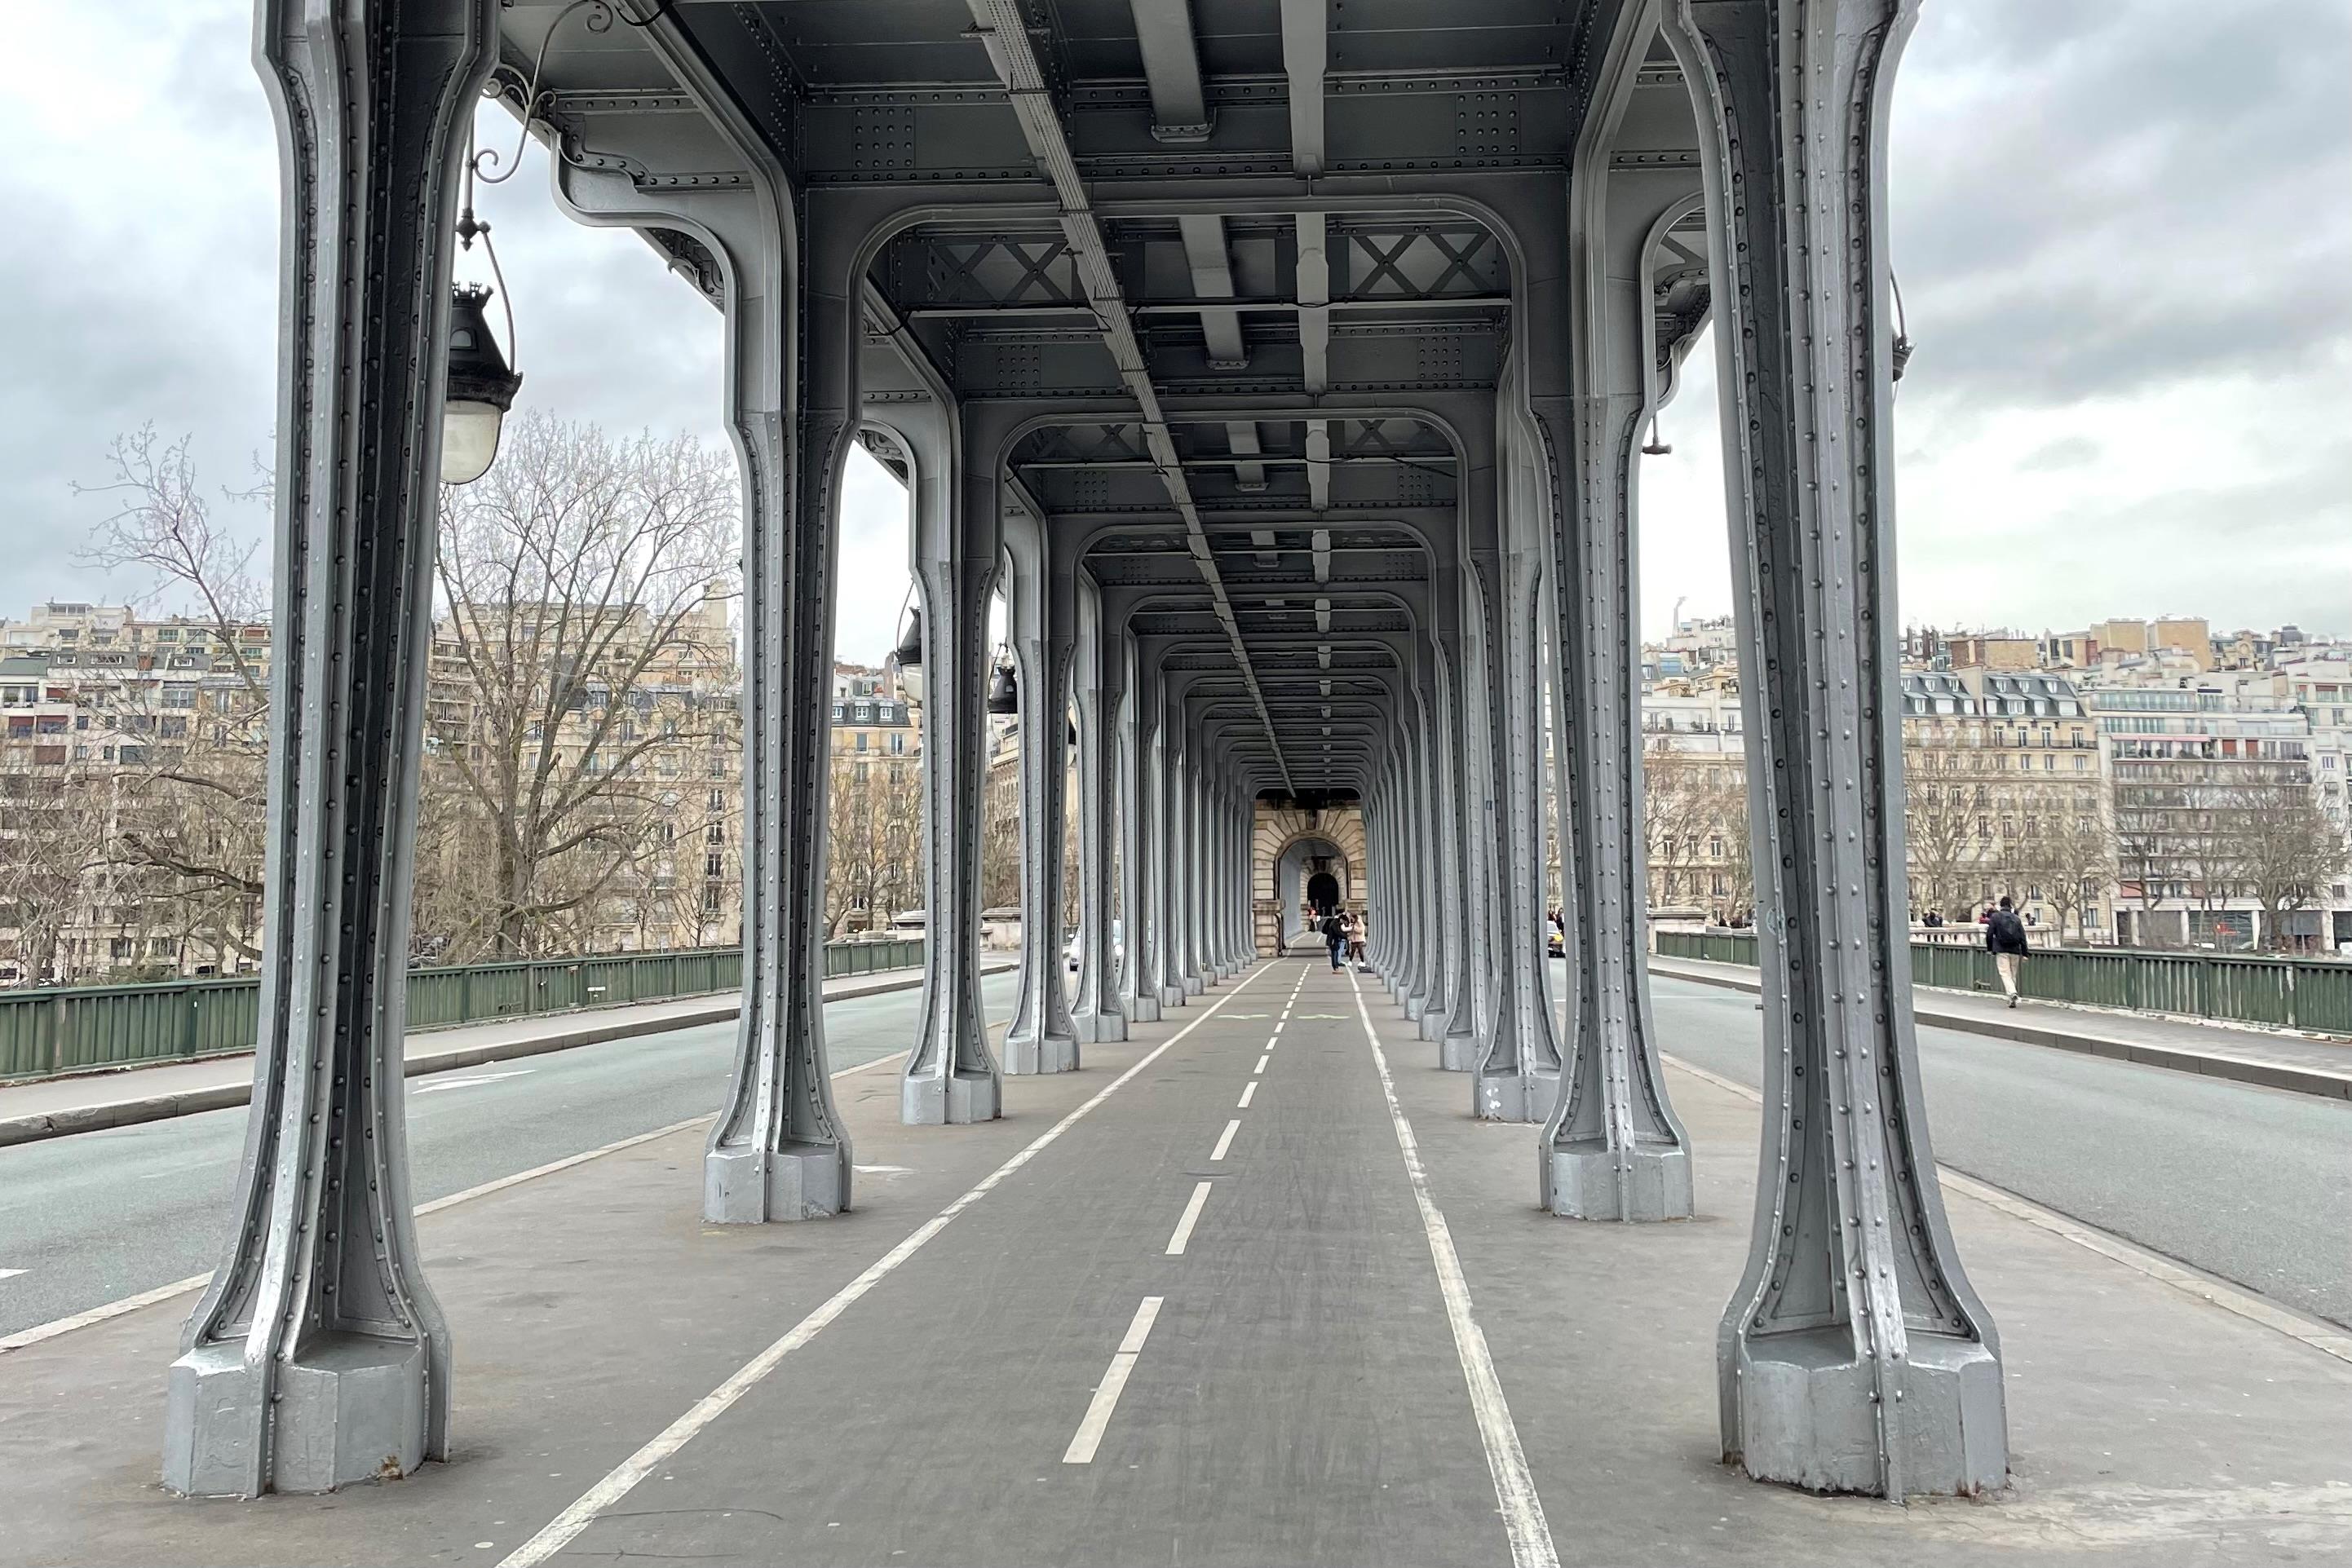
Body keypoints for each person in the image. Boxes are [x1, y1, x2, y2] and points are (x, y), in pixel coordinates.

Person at [1985, 894, 2030, 1008]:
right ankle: (2011, 1000)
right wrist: (2025, 953)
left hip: (2001, 949)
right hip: (2015, 950)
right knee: (2012, 975)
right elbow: (2022, 937)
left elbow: (1990, 934)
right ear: (2010, 905)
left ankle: (2012, 993)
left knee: (2005, 974)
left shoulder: (1996, 917)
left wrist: (1990, 949)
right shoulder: (2016, 918)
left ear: (2001, 905)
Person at [1320, 907, 1347, 972]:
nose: (1343, 923)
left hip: (1335, 940)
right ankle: (1336, 967)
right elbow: (1337, 932)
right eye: (1343, 921)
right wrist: (1346, 936)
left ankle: (1336, 967)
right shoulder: (1335, 923)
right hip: (1333, 941)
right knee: (1335, 953)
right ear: (1341, 919)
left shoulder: (1336, 923)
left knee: (1335, 953)